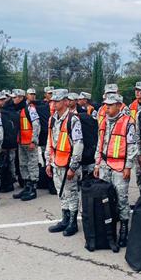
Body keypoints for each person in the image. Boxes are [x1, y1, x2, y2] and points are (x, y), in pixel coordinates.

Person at [94, 93, 137, 247]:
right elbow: (100, 144)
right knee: (106, 198)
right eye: (106, 105)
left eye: (110, 105)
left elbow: (132, 146)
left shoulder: (128, 123)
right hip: (105, 164)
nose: (107, 108)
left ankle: (124, 228)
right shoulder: (104, 122)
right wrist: (97, 164)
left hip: (120, 166)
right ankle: (109, 229)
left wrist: (128, 166)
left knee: (121, 198)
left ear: (119, 105)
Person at [46, 89, 84, 236]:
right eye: (52, 101)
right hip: (56, 162)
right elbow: (50, 141)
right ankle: (65, 219)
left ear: (65, 102)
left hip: (68, 164)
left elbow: (78, 144)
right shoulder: (52, 119)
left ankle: (73, 222)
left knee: (72, 192)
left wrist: (73, 167)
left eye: (57, 101)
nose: (53, 103)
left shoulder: (73, 119)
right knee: (61, 192)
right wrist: (48, 162)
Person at [13, 89, 40, 201]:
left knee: (32, 165)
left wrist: (33, 141)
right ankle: (26, 186)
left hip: (29, 143)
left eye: (15, 97)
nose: (13, 99)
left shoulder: (30, 109)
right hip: (21, 142)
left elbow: (36, 124)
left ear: (20, 97)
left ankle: (33, 190)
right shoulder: (19, 109)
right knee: (23, 165)